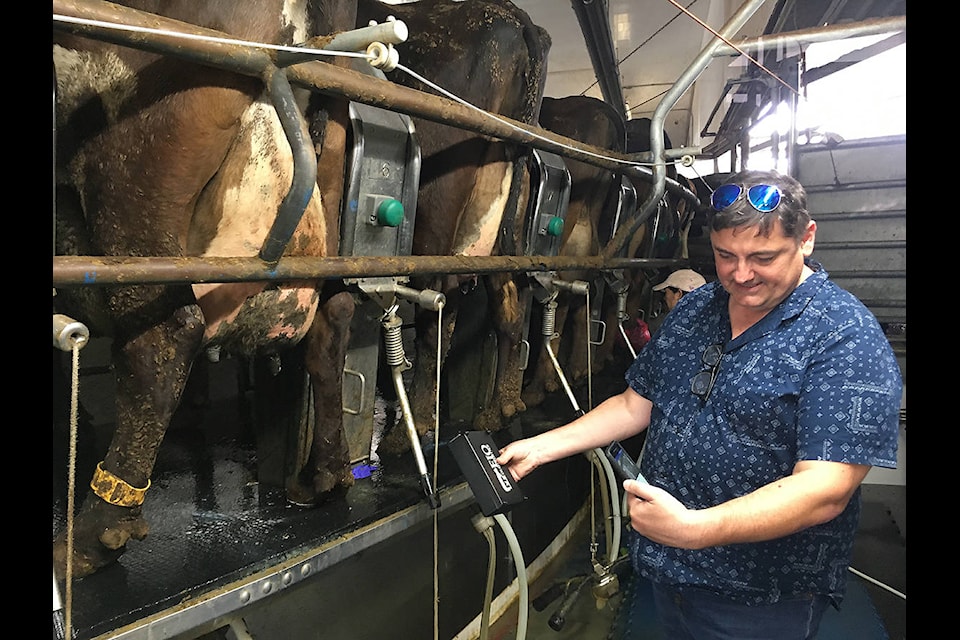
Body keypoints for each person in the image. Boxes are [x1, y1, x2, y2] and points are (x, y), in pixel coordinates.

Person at [497, 169, 901, 639]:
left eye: (762, 257)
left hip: (759, 596)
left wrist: (695, 530)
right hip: (670, 571)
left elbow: (825, 489)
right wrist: (543, 446)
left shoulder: (843, 336)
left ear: (806, 239)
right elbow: (635, 404)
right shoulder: (697, 307)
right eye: (726, 255)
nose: (741, 274)